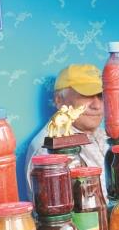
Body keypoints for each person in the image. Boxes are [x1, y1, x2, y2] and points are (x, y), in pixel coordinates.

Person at [24, 64, 108, 195]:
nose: (97, 106)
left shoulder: (105, 134)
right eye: (86, 95)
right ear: (59, 100)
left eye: (101, 96)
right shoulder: (48, 148)